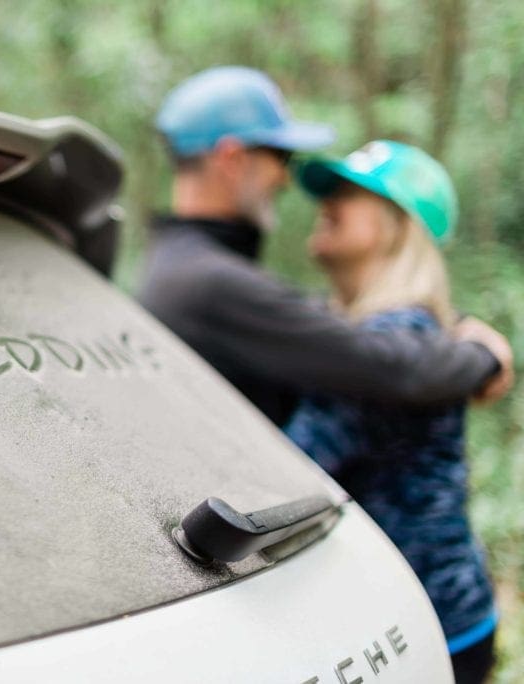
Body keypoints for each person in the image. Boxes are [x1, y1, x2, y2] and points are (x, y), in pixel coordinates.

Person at [138, 66, 513, 425]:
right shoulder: (208, 282)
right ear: (232, 159)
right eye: (280, 156)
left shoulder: (186, 268)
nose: (286, 178)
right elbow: (383, 366)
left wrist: (453, 322)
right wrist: (483, 358)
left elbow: (314, 320)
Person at [284, 141, 498, 683]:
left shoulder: (393, 344)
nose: (328, 201)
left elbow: (294, 467)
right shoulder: (400, 334)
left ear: (398, 228)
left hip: (429, 626)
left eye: (352, 194)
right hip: (440, 610)